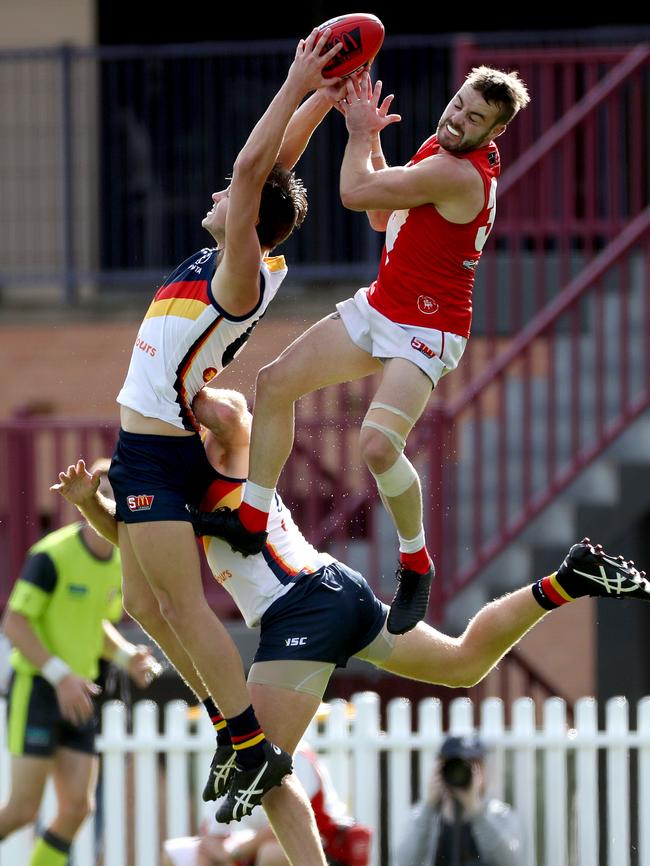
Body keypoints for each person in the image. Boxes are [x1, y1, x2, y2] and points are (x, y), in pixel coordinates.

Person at [52, 387, 650, 826]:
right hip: (330, 592)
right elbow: (146, 549)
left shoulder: (227, 437)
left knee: (263, 772)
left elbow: (227, 412)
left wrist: (177, 377)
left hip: (303, 607)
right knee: (466, 663)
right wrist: (88, 504)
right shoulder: (176, 486)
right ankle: (568, 581)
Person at [81, 29, 356, 860]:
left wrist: (293, 77)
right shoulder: (244, 254)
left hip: (161, 456)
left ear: (247, 221)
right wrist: (323, 98)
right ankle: (229, 721)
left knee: (181, 606)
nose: (220, 192)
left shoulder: (239, 272)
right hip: (144, 450)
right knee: (140, 606)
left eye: (234, 198)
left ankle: (243, 742)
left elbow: (250, 175)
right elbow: (271, 174)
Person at [202, 66, 531, 637]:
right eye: (457, 104)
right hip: (383, 307)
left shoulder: (460, 172)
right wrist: (374, 136)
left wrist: (357, 132)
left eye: (474, 118)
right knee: (275, 383)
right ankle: (252, 519)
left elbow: (355, 195)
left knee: (377, 446)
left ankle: (414, 562)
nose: (457, 118)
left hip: (428, 330)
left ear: (493, 133)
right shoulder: (440, 149)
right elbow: (384, 215)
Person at [0, 460, 158, 866]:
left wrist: (127, 657)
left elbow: (96, 625)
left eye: (119, 494)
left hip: (80, 693)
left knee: (77, 809)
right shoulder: (51, 555)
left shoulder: (122, 561)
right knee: (21, 811)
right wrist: (60, 676)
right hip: (39, 688)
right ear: (85, 500)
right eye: (102, 493)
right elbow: (14, 624)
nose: (111, 502)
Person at [162, 739, 368, 866]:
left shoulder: (295, 755)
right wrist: (221, 855)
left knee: (273, 853)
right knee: (176, 852)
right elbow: (210, 837)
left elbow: (289, 822)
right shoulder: (230, 761)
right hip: (256, 845)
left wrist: (234, 853)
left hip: (323, 846)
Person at [395, 734, 522, 866]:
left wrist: (476, 810)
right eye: (455, 765)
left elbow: (510, 861)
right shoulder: (424, 815)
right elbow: (404, 861)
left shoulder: (501, 814)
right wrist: (429, 806)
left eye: (473, 764)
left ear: (483, 771)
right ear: (440, 769)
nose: (462, 772)